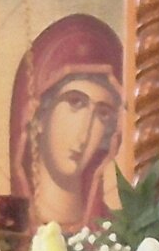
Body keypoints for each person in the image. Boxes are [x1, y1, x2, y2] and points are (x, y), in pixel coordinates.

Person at [8, 13, 126, 234]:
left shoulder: (114, 236)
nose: (85, 133)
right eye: (75, 103)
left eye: (102, 114)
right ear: (38, 115)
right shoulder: (7, 229)